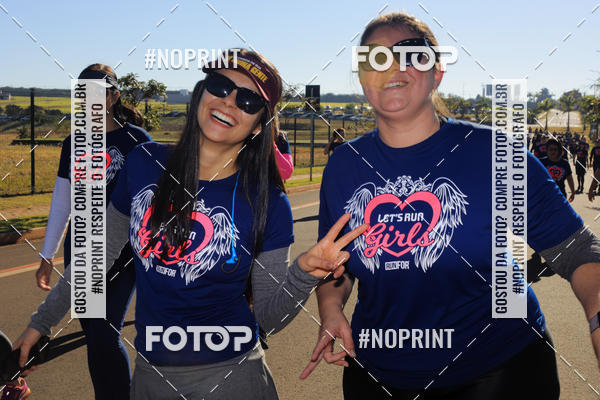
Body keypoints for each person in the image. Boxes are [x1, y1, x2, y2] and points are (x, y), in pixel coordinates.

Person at [12, 49, 365, 400]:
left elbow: (268, 320)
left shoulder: (268, 202)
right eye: (220, 85)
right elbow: (95, 257)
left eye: (247, 100)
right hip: (151, 380)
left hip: (234, 382)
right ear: (201, 92)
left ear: (259, 124)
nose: (228, 101)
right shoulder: (144, 163)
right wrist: (41, 323)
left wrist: (303, 273)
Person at [300, 12, 600, 400]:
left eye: (411, 54)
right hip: (376, 373)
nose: (392, 66)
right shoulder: (344, 165)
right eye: (375, 58)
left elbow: (577, 250)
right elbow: (335, 266)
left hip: (499, 373)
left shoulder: (495, 153)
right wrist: (330, 308)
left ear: (437, 72)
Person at [1, 64, 151, 400]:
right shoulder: (74, 143)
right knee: (95, 338)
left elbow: (154, 200)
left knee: (104, 335)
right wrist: (47, 254)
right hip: (80, 248)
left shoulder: (137, 141)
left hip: (122, 252)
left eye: (98, 93)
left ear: (114, 97)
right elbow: (61, 203)